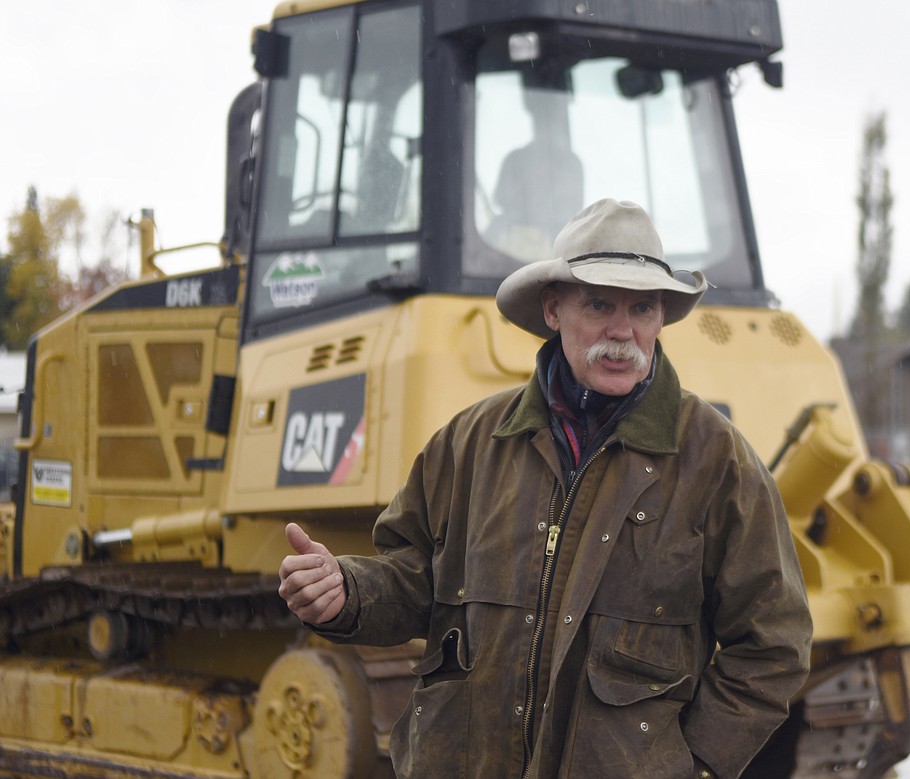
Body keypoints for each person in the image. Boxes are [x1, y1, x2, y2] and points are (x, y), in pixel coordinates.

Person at [278, 198, 812, 778]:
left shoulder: (717, 461)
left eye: (642, 308)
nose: (622, 330)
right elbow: (414, 578)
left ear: (662, 318)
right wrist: (346, 590)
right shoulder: (470, 443)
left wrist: (697, 763)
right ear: (554, 309)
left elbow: (773, 643)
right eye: (600, 303)